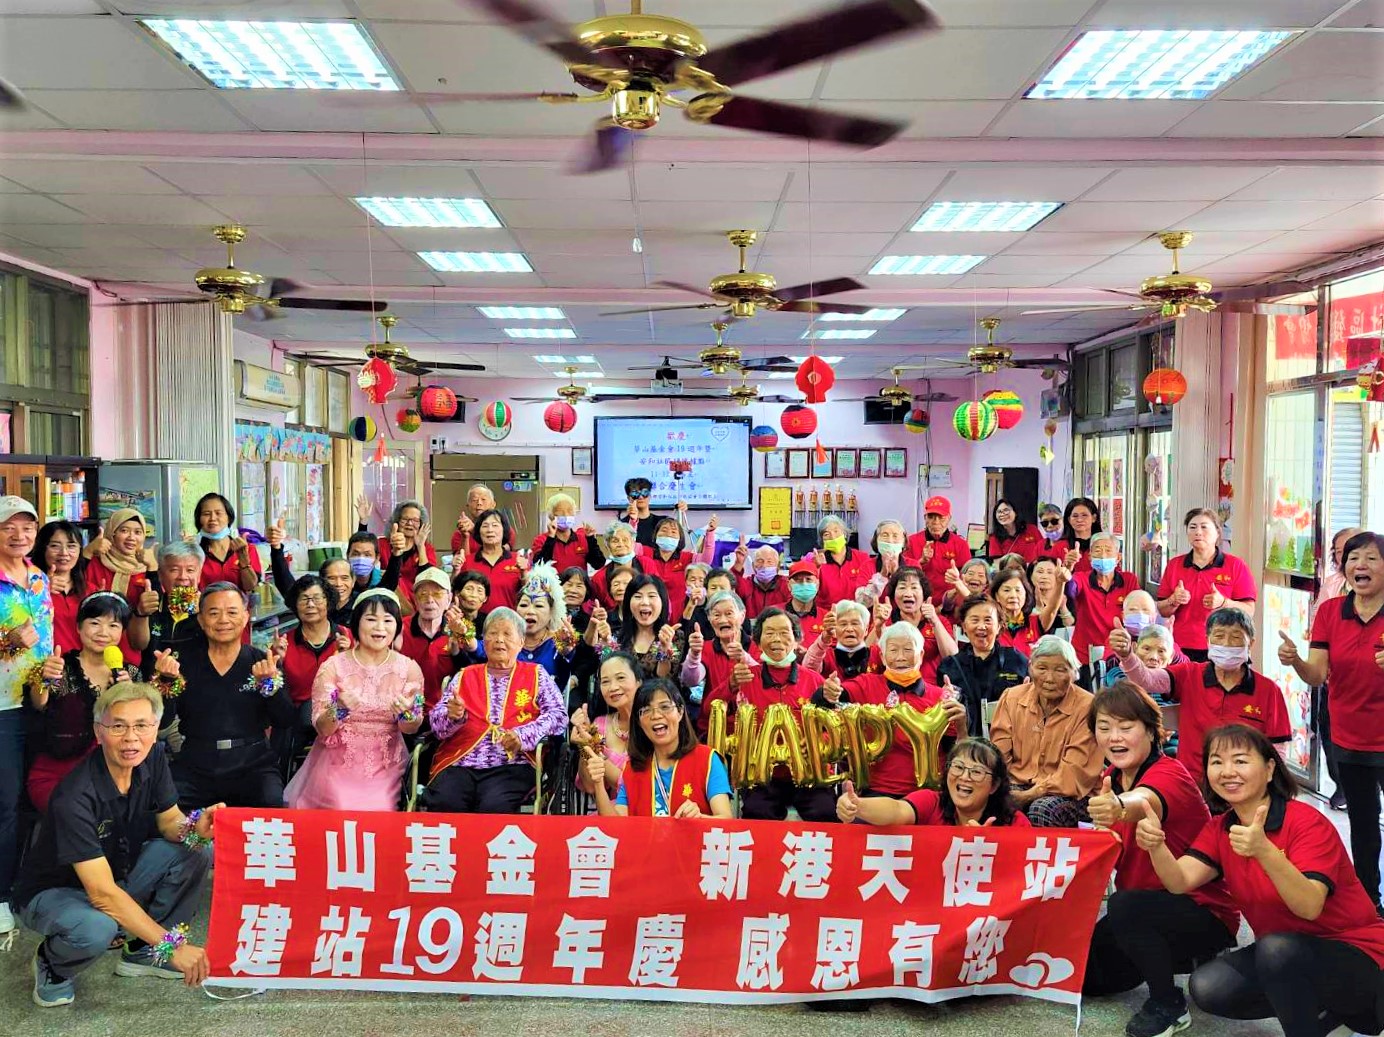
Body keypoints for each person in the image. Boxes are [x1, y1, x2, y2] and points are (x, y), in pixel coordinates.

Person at [1136, 724, 1384, 1037]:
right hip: (1285, 954)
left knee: (1276, 951)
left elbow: (1309, 906)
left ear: (1269, 769)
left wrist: (1264, 851)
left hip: (1359, 954)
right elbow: (1179, 881)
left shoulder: (1306, 822)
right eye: (1216, 761)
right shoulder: (1220, 828)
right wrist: (1156, 846)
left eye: (1240, 760)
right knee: (1209, 986)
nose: (1228, 771)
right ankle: (1325, 1012)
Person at [13, 682, 215, 1007]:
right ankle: (52, 964)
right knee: (97, 927)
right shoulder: (74, 796)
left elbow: (169, 822)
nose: (131, 738)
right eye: (118, 726)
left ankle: (145, 952)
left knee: (197, 847)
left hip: (116, 871)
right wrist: (172, 946)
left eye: (141, 725)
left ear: (155, 729)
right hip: (56, 891)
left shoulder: (152, 758)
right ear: (98, 732)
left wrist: (197, 828)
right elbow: (102, 894)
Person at [1082, 682, 1240, 1037]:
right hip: (1144, 909)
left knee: (1124, 906)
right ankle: (1181, 959)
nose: (1114, 737)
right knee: (1090, 977)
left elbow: (1143, 801)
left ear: (1152, 732)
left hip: (1201, 909)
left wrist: (1117, 807)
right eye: (1104, 727)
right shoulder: (1112, 777)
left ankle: (1168, 1004)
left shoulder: (1170, 774)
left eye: (1126, 726)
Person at [1279, 529, 1384, 910]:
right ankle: (1370, 902)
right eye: (1353, 558)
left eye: (1371, 558)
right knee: (1363, 822)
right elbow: (1317, 674)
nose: (1360, 565)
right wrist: (1295, 661)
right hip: (1350, 735)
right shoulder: (1330, 612)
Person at [1114, 608, 1291, 791]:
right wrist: (1127, 656)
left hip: (1243, 787)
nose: (1226, 644)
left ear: (1251, 643)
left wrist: (1271, 787)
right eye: (1219, 636)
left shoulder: (1268, 690)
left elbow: (1278, 747)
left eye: (1236, 637)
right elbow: (1147, 680)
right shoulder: (1190, 674)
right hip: (1191, 785)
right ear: (1207, 641)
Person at [285, 589, 424, 811]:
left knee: (381, 807)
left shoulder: (409, 668)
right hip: (338, 758)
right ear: (357, 623)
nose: (380, 627)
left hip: (386, 761)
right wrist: (338, 709)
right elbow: (323, 728)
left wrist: (406, 713)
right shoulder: (333, 667)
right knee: (340, 804)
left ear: (397, 626)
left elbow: (411, 728)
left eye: (388, 620)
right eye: (371, 619)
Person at [157, 583, 293, 809]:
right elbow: (162, 721)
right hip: (196, 764)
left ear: (245, 617)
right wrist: (166, 682)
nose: (223, 620)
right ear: (201, 620)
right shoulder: (182, 664)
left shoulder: (262, 662)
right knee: (166, 811)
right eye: (213, 613)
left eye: (232, 612)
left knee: (271, 804)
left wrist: (268, 685)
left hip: (252, 764)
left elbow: (285, 719)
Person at [426, 608, 566, 813]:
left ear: (521, 642)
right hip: (461, 761)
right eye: (492, 633)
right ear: (483, 641)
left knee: (493, 806)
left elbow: (558, 716)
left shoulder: (537, 674)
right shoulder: (465, 675)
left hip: (513, 764)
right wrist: (452, 716)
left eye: (507, 634)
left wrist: (524, 735)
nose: (499, 639)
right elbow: (437, 726)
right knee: (445, 802)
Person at [821, 621, 967, 799]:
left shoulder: (941, 696)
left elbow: (954, 750)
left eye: (908, 650)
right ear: (882, 657)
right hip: (877, 791)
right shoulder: (865, 685)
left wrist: (961, 726)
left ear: (921, 655)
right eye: (893, 650)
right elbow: (823, 702)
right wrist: (829, 691)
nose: (900, 657)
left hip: (928, 793)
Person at [26, 592, 140, 813]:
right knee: (77, 812)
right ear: (78, 627)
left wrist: (129, 696)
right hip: (59, 774)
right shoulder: (60, 667)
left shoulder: (130, 674)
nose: (103, 632)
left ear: (122, 632)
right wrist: (44, 680)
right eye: (94, 623)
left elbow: (141, 727)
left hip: (112, 774)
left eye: (113, 625)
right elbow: (39, 704)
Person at [0, 494, 51, 938]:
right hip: (3, 707)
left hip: (41, 700)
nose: (19, 535)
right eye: (8, 527)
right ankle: (1, 895)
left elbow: (46, 638)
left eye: (28, 527)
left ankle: (25, 883)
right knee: (6, 803)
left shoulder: (38, 578)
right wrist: (7, 643)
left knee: (36, 799)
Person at [733, 608, 835, 821]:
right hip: (763, 775)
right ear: (758, 642)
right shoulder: (746, 679)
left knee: (825, 812)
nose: (777, 639)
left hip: (809, 773)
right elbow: (713, 713)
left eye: (784, 633)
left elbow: (832, 728)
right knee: (757, 812)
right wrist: (730, 685)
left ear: (797, 640)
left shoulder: (815, 681)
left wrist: (817, 741)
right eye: (769, 633)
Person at [988, 635, 1101, 826]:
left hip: (1072, 793)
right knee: (989, 800)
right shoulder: (1011, 698)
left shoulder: (1088, 707)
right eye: (1041, 668)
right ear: (1030, 668)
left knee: (1041, 809)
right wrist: (1005, 790)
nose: (1049, 678)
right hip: (1018, 783)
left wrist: (1031, 794)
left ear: (1074, 673)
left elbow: (1074, 773)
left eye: (1060, 670)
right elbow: (999, 756)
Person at [589, 678, 733, 818]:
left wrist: (699, 818)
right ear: (639, 722)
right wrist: (598, 784)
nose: (656, 715)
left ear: (680, 712)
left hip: (695, 836)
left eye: (665, 707)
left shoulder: (707, 759)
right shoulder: (632, 769)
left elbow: (725, 818)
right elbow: (616, 824)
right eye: (646, 710)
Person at [838, 737, 1028, 827]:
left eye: (976, 772)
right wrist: (858, 806)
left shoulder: (1015, 823)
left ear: (994, 785)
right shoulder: (931, 802)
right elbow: (897, 810)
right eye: (958, 767)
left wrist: (990, 848)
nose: (964, 777)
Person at [269, 574, 351, 779]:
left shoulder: (347, 637)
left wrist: (350, 658)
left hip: (341, 716)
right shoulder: (283, 643)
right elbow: (271, 690)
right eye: (304, 599)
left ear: (328, 602)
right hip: (296, 719)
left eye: (317, 598)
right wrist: (278, 662)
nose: (311, 604)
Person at [1157, 509, 1257, 662]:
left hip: (1223, 646)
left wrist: (1224, 603)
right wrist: (1173, 601)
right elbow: (1162, 610)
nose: (1198, 532)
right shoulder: (1174, 565)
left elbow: (1249, 611)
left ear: (1217, 532)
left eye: (1204, 527)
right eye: (1192, 527)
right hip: (1181, 646)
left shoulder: (1235, 565)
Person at [1313, 526, 1363, 811]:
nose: (1345, 558)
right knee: (1329, 728)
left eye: (1351, 550)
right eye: (1339, 552)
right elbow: (1318, 621)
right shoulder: (1332, 584)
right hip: (1333, 672)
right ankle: (1342, 785)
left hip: (1370, 677)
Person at [937, 596, 1029, 737]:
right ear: (964, 626)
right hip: (965, 743)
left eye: (988, 620)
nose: (981, 626)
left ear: (999, 626)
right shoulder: (949, 666)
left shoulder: (1017, 661)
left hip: (1009, 740)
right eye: (975, 620)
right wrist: (945, 696)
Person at [570, 651, 641, 802]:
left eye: (620, 678)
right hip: (613, 810)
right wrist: (585, 745)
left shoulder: (653, 723)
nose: (613, 687)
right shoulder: (600, 725)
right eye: (605, 681)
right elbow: (590, 786)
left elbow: (635, 787)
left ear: (638, 682)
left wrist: (594, 749)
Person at [1067, 532, 1140, 679]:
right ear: (1090, 557)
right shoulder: (1081, 578)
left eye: (1108, 550)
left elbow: (1138, 607)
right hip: (1084, 654)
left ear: (1118, 557)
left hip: (1118, 653)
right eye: (1098, 551)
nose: (1103, 555)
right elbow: (1069, 590)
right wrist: (1067, 570)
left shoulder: (1129, 580)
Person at [687, 591, 757, 737]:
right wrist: (694, 654)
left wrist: (745, 658)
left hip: (752, 729)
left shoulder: (757, 646)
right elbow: (691, 680)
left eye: (729, 613)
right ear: (709, 618)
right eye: (716, 615)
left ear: (742, 616)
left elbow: (765, 680)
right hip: (713, 729)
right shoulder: (705, 648)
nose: (722, 620)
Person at [870, 566, 958, 681]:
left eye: (914, 587)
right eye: (902, 587)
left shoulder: (939, 621)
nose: (908, 593)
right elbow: (865, 656)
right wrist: (878, 627)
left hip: (930, 687)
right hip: (891, 686)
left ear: (924, 594)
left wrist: (934, 621)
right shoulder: (885, 620)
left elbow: (952, 657)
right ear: (894, 595)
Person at [137, 541, 205, 678]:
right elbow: (137, 644)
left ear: (199, 575)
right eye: (174, 570)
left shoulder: (209, 610)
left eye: (190, 570)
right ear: (160, 575)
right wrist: (141, 613)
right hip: (152, 686)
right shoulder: (151, 604)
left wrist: (203, 616)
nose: (183, 577)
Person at [399, 567, 459, 708]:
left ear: (449, 599)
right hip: (405, 709)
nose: (430, 600)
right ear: (415, 599)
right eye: (423, 594)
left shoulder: (458, 631)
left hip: (443, 712)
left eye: (437, 594)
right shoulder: (399, 629)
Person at [513, 563, 579, 686]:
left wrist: (566, 649)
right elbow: (480, 649)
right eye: (523, 605)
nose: (530, 611)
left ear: (551, 613)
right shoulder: (507, 640)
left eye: (538, 606)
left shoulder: (558, 642)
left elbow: (567, 665)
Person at [904, 496, 972, 605]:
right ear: (925, 518)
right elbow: (903, 575)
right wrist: (921, 561)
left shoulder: (961, 544)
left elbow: (967, 578)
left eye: (941, 518)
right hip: (917, 602)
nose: (936, 522)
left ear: (949, 518)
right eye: (931, 517)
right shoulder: (911, 541)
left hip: (950, 603)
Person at [641, 513, 711, 618]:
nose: (668, 534)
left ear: (680, 538)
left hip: (681, 612)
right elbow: (628, 545)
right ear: (656, 535)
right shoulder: (645, 552)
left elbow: (706, 560)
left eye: (674, 532)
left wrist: (710, 533)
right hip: (650, 611)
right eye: (664, 530)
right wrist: (633, 522)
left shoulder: (686, 557)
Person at [617, 573, 684, 682]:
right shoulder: (618, 637)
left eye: (652, 596)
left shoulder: (674, 636)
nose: (645, 602)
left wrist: (664, 649)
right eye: (638, 596)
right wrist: (605, 642)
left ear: (662, 602)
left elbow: (664, 679)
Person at [33, 520, 87, 652]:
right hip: (44, 662)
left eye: (71, 546)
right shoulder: (28, 588)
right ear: (42, 549)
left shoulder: (90, 589)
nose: (64, 553)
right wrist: (42, 590)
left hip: (82, 663)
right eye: (55, 546)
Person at [456, 509, 525, 611]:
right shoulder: (468, 561)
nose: (490, 530)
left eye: (495, 525)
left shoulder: (517, 559)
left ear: (504, 530)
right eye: (485, 526)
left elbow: (529, 591)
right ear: (478, 531)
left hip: (509, 619)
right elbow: (455, 592)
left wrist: (524, 573)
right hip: (475, 620)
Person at [191, 492, 260, 593]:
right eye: (206, 514)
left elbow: (250, 587)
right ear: (199, 520)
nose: (213, 518)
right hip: (206, 603)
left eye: (218, 513)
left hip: (237, 603)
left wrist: (244, 561)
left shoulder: (247, 549)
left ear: (229, 517)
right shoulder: (194, 554)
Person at [376, 499, 437, 606]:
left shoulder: (427, 549)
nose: (409, 523)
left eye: (415, 520)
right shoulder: (381, 544)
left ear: (421, 525)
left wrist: (420, 546)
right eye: (405, 519)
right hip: (386, 599)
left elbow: (428, 579)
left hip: (417, 602)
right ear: (396, 521)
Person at [992, 566, 1061, 656]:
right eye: (1006, 590)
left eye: (1018, 590)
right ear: (997, 596)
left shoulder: (1035, 623)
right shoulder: (991, 625)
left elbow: (1052, 608)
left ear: (1025, 594)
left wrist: (1060, 582)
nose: (1013, 595)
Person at [530, 491, 604, 573]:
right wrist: (551, 538)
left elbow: (598, 564)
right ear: (551, 516)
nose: (566, 515)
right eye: (560, 511)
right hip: (553, 581)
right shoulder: (541, 540)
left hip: (578, 581)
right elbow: (539, 565)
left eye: (569, 511)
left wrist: (591, 539)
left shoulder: (582, 538)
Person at [802, 599, 873, 681]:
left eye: (855, 623)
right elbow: (808, 669)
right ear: (835, 629)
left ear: (866, 630)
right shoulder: (827, 655)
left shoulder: (874, 655)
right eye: (843, 624)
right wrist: (825, 638)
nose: (849, 629)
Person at [815, 513, 876, 607]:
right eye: (826, 534)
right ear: (822, 540)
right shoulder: (818, 561)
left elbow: (871, 589)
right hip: (827, 613)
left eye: (836, 531)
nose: (833, 537)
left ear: (844, 534)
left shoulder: (862, 558)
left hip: (856, 611)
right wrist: (816, 568)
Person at [1102, 623, 1176, 687]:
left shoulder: (1175, 681)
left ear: (1171, 656)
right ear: (1134, 648)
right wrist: (1126, 654)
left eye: (1161, 651)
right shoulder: (1117, 675)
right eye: (1147, 649)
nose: (1153, 657)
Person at [450, 483, 514, 555]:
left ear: (493, 504)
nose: (479, 503)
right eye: (474, 500)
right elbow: (463, 560)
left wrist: (475, 530)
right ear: (468, 506)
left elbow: (500, 555)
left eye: (483, 499)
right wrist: (465, 536)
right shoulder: (459, 534)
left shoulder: (505, 529)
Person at [591, 522, 643, 610]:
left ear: (633, 542)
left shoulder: (646, 564)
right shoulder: (598, 578)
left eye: (625, 540)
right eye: (615, 541)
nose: (620, 544)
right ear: (607, 546)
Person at [734, 543, 791, 618]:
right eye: (760, 561)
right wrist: (738, 564)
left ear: (777, 567)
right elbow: (730, 586)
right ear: (753, 566)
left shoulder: (786, 585)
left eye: (769, 562)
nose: (764, 566)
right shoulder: (746, 584)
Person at [987, 498, 1044, 564]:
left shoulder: (1032, 529)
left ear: (1015, 512)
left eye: (1006, 510)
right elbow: (998, 565)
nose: (1002, 514)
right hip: (1012, 570)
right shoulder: (994, 538)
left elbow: (1043, 552)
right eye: (999, 512)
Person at [1053, 496, 1101, 574]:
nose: (1079, 520)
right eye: (1075, 516)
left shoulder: (1104, 544)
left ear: (1094, 518)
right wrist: (1066, 567)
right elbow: (1052, 576)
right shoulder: (1059, 547)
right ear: (1069, 520)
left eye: (1084, 515)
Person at [784, 558, 826, 648]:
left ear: (817, 584)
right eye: (798, 580)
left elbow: (834, 650)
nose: (804, 583)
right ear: (789, 585)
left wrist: (811, 654)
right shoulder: (774, 614)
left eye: (808, 579)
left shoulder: (827, 618)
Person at [617, 476, 669, 549]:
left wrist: (681, 511)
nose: (641, 497)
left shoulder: (662, 522)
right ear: (629, 498)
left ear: (650, 496)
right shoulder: (621, 525)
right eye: (635, 494)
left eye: (645, 493)